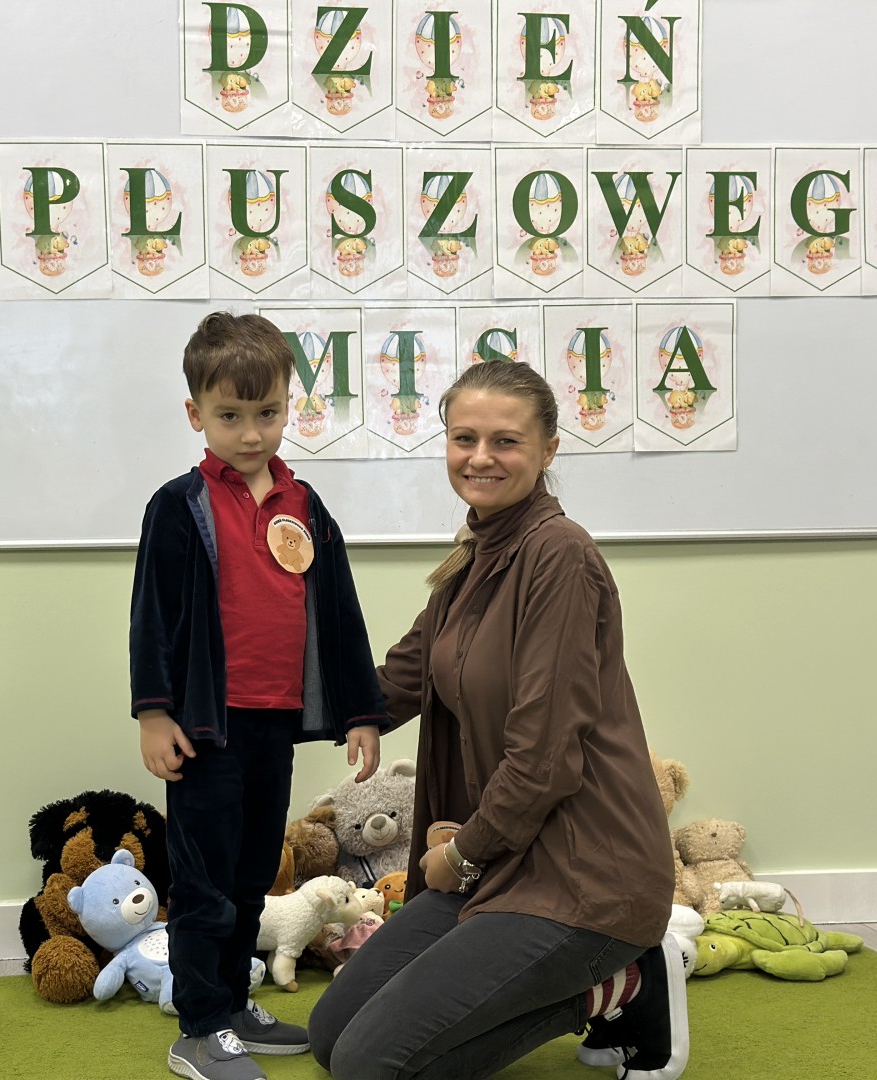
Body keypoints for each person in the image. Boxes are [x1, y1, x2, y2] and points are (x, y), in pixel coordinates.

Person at [308, 360, 687, 1080]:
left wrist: (460, 856)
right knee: (331, 1034)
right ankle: (608, 989)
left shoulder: (560, 556)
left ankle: (622, 981)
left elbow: (543, 759)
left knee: (369, 1065)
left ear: (548, 450)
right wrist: (248, 721)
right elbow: (398, 681)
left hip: (581, 877)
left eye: (505, 441)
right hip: (505, 859)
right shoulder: (477, 555)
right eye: (464, 438)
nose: (480, 457)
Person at [130, 311, 388, 1080]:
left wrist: (361, 712)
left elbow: (339, 614)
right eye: (230, 417)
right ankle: (199, 1027)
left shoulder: (305, 507)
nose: (251, 433)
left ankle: (234, 1004)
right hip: (206, 729)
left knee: (252, 876)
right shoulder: (178, 507)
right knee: (205, 882)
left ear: (287, 407)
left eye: (267, 413)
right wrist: (154, 713)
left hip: (275, 724)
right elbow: (152, 616)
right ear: (196, 415)